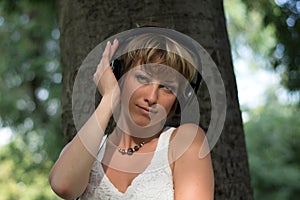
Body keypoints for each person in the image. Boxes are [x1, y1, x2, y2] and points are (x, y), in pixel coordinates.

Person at [49, 28, 214, 200]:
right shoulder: (88, 149)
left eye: (167, 87)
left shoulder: (185, 141)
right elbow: (63, 186)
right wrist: (108, 99)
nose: (151, 97)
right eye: (143, 78)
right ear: (119, 77)